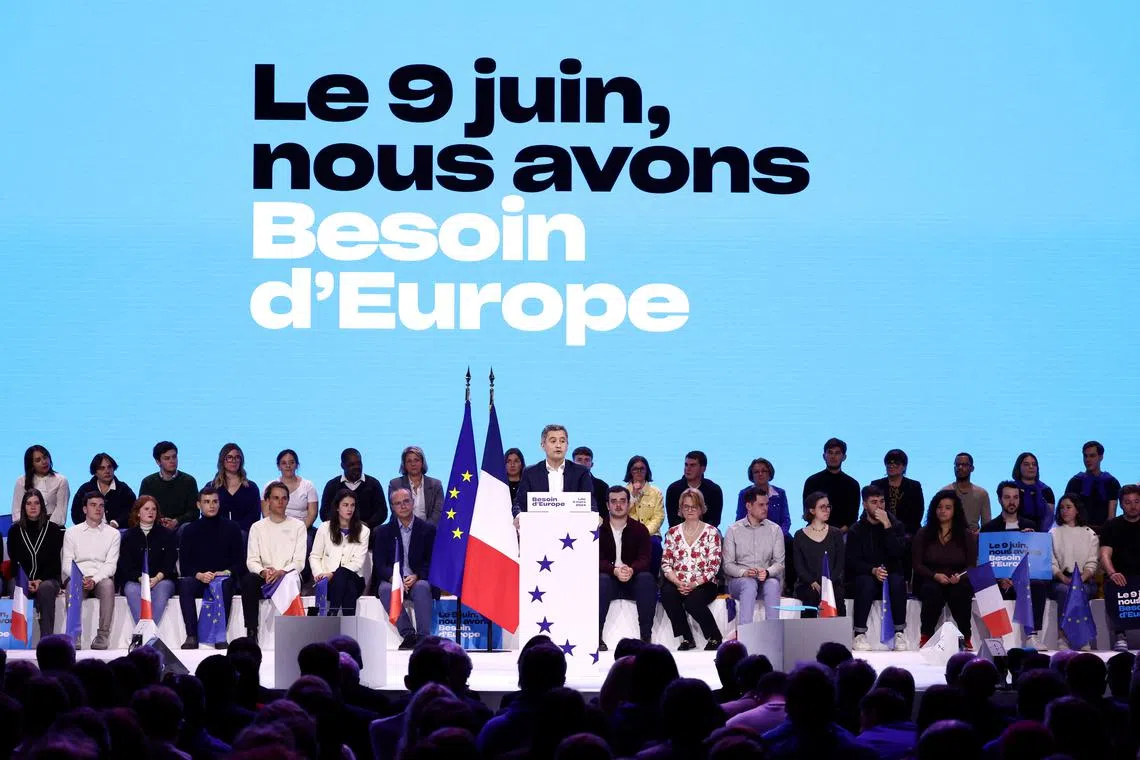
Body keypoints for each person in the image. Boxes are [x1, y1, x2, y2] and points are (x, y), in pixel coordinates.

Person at [980, 481, 1048, 649]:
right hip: (999, 579)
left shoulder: (1030, 525)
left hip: (1023, 578)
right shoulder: (989, 528)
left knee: (1038, 585)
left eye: (1016, 497)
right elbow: (985, 561)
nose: (1012, 502)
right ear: (999, 499)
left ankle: (1032, 636)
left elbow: (1037, 559)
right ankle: (997, 637)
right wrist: (1000, 577)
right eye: (1007, 497)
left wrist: (1031, 540)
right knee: (985, 583)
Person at [179, 486, 246, 649]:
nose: (212, 505)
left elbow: (240, 562)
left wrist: (225, 572)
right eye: (207, 502)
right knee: (185, 584)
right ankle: (192, 635)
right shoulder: (189, 530)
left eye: (215, 501)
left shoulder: (232, 528)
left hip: (222, 577)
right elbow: (184, 564)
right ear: (198, 505)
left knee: (225, 584)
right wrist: (199, 575)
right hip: (199, 577)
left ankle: (219, 635)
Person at [242, 481, 307, 640]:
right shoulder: (257, 527)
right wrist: (264, 572)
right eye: (276, 498)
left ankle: (292, 634)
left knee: (290, 579)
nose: (280, 502)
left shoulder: (298, 526)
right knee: (248, 580)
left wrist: (281, 572)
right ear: (268, 501)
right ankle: (252, 632)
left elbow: (299, 562)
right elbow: (252, 560)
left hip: (287, 575)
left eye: (284, 498)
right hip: (265, 577)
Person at [660, 487, 723, 650]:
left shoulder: (712, 532)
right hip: (678, 581)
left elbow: (713, 567)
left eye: (694, 506)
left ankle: (714, 636)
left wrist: (693, 584)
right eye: (686, 506)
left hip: (704, 583)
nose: (690, 510)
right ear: (680, 509)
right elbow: (666, 563)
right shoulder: (672, 533)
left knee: (692, 601)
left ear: (701, 508)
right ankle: (687, 638)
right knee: (667, 594)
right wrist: (678, 582)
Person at [847, 485, 908, 651]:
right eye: (874, 502)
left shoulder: (896, 526)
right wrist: (872, 570)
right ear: (865, 504)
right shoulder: (856, 530)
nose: (879, 506)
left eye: (882, 502)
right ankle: (859, 634)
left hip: (890, 572)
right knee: (866, 583)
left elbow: (898, 554)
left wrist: (887, 526)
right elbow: (852, 561)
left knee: (897, 581)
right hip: (866, 573)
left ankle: (899, 632)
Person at [913, 490, 976, 647]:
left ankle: (965, 637)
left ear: (955, 511)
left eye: (948, 507)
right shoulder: (923, 533)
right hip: (931, 578)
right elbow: (917, 565)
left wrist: (960, 576)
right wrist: (935, 575)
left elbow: (972, 566)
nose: (943, 511)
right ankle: (926, 636)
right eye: (939, 507)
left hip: (958, 579)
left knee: (961, 592)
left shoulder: (966, 535)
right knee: (931, 591)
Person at [374, 487, 436, 648]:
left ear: (413, 502)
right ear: (392, 507)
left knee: (422, 587)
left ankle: (423, 637)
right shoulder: (382, 532)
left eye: (406, 501)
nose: (402, 506)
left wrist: (417, 576)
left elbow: (431, 560)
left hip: (418, 578)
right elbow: (379, 564)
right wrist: (394, 578)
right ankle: (408, 635)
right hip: (394, 579)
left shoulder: (427, 529)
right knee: (385, 589)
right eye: (397, 503)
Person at [62, 491, 122, 649]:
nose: (98, 509)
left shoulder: (113, 534)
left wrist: (94, 579)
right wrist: (80, 578)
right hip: (78, 577)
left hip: (100, 578)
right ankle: (74, 636)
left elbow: (111, 565)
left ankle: (102, 636)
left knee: (108, 585)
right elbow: (67, 562)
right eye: (93, 505)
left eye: (101, 506)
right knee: (72, 586)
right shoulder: (72, 532)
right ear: (84, 509)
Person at [598, 485, 656, 649]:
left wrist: (631, 569)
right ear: (607, 505)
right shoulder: (598, 530)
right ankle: (596, 636)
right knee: (601, 579)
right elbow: (595, 559)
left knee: (646, 579)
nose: (618, 505)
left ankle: (645, 636)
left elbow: (645, 559)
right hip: (609, 578)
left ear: (629, 504)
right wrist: (613, 570)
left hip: (632, 578)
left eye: (622, 501)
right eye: (613, 501)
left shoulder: (640, 529)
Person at [8, 489, 65, 639]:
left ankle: (46, 638)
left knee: (46, 588)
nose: (33, 507)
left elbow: (55, 562)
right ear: (23, 507)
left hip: (48, 578)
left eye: (36, 503)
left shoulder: (53, 530)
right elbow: (15, 562)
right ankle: (18, 638)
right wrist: (25, 581)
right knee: (15, 586)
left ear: (42, 506)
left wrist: (41, 580)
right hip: (22, 578)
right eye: (28, 503)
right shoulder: (14, 531)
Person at [724, 487, 784, 625]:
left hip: (765, 579)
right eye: (761, 505)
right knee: (749, 583)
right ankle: (746, 633)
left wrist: (767, 572)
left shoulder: (775, 529)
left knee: (773, 584)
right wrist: (744, 572)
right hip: (740, 582)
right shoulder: (733, 530)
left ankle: (773, 632)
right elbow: (728, 565)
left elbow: (779, 563)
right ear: (749, 506)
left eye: (767, 504)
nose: (766, 508)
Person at [115, 496, 177, 627]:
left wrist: (158, 578)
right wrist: (140, 579)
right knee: (131, 590)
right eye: (147, 509)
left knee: (162, 589)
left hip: (162, 579)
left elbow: (170, 561)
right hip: (136, 580)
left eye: (154, 509)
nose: (151, 512)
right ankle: (147, 632)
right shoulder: (128, 536)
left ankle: (145, 633)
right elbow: (126, 565)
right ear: (138, 512)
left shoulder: (167, 534)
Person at [512, 424, 596, 517]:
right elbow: (519, 503)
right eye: (553, 441)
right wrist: (518, 515)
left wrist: (594, 515)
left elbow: (589, 502)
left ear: (567, 445)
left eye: (562, 441)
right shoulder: (530, 472)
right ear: (543, 445)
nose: (558, 445)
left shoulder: (581, 472)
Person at [310, 489, 370, 615]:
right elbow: (315, 556)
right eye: (345, 505)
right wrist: (320, 574)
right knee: (349, 588)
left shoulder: (364, 531)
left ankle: (332, 613)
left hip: (355, 578)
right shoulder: (324, 528)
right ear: (337, 507)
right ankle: (349, 627)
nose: (350, 509)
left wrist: (333, 574)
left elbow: (357, 563)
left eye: (352, 505)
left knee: (344, 575)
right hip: (329, 582)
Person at [1051, 493, 1099, 650]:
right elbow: (1051, 562)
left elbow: (1092, 562)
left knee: (1080, 591)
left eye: (1069, 507)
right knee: (1066, 591)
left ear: (1077, 510)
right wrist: (1063, 577)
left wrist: (1081, 578)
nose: (1064, 511)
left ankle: (1082, 637)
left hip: (1084, 580)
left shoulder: (1089, 534)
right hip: (1061, 579)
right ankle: (1063, 637)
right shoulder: (1053, 533)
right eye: (1062, 508)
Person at [1099, 483, 1140, 652]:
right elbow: (1104, 555)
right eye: (1128, 502)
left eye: (1137, 501)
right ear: (1121, 504)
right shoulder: (1112, 526)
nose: (1133, 506)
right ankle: (1120, 636)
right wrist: (1112, 572)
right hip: (1122, 576)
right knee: (1113, 584)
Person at [793, 492, 846, 617]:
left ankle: (841, 635)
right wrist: (812, 581)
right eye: (822, 507)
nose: (827, 510)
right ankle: (809, 635)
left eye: (828, 506)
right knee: (810, 595)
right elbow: (799, 564)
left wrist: (828, 582)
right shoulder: (800, 535)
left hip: (832, 582)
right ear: (812, 510)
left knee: (837, 595)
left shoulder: (836, 533)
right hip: (808, 583)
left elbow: (839, 563)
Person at [802, 438, 861, 532]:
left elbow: (853, 517)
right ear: (824, 456)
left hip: (843, 534)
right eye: (830, 453)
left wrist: (838, 533)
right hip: (816, 531)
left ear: (844, 457)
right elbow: (807, 511)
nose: (833, 456)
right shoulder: (812, 481)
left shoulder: (852, 484)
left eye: (837, 453)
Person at [320, 447, 388, 528]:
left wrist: (365, 526)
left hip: (369, 532)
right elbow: (324, 513)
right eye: (351, 464)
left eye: (359, 463)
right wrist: (341, 525)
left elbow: (382, 512)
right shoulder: (332, 485)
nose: (356, 467)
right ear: (342, 465)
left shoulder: (373, 484)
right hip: (338, 533)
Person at [139, 441, 200, 530]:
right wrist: (160, 521)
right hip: (156, 526)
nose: (172, 461)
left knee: (186, 528)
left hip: (180, 526)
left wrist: (176, 521)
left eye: (174, 457)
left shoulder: (189, 481)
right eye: (167, 458)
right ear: (158, 462)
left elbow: (194, 512)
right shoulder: (148, 482)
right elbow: (142, 510)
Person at [1065, 440, 1121, 531]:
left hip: (1103, 532)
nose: (1088, 460)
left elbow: (1111, 517)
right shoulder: (1075, 482)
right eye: (1085, 456)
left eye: (1092, 456)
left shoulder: (1111, 482)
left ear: (1101, 457)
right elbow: (1068, 511)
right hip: (1077, 531)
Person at [70, 453, 137, 528]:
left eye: (109, 467)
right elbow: (76, 514)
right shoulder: (85, 489)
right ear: (95, 472)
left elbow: (132, 511)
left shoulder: (123, 489)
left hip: (118, 532)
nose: (107, 471)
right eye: (102, 468)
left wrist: (116, 523)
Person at [870, 449, 925, 536]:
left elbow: (917, 514)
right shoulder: (876, 484)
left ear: (904, 466)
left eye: (896, 463)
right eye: (889, 463)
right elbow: (871, 510)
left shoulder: (914, 486)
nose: (892, 466)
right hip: (880, 531)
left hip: (908, 534)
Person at [664, 451, 724, 529]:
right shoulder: (673, 489)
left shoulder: (714, 490)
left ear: (703, 469)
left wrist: (698, 532)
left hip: (706, 532)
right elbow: (673, 520)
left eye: (692, 465)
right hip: (680, 532)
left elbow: (714, 520)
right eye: (686, 465)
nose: (687, 469)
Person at [12, 444, 70, 525]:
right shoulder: (21, 481)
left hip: (53, 527)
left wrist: (48, 528)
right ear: (31, 464)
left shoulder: (61, 480)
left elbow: (61, 511)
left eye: (45, 457)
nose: (44, 462)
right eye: (38, 460)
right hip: (27, 527)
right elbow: (17, 511)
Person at [388, 446, 444, 526]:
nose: (413, 464)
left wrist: (424, 530)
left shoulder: (435, 484)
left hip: (429, 530)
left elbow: (438, 512)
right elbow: (396, 511)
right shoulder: (395, 484)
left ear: (422, 462)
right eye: (409, 461)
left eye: (416, 460)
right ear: (404, 465)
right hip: (403, 528)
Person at [212, 443, 261, 534]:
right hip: (217, 532)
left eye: (237, 457)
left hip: (243, 532)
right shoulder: (212, 487)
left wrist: (234, 529)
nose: (234, 461)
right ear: (222, 460)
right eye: (229, 457)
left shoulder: (251, 488)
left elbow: (255, 515)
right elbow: (207, 513)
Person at [940, 452, 991, 532]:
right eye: (957, 465)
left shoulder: (981, 493)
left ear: (972, 468)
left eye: (964, 465)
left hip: (973, 538)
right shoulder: (945, 492)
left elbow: (987, 524)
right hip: (949, 537)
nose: (960, 467)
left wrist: (976, 535)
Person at [1012, 452, 1055, 531]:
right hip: (1015, 535)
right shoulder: (1011, 489)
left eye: (1034, 464)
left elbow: (1049, 518)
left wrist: (1038, 535)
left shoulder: (1046, 490)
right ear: (1019, 467)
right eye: (1026, 464)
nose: (1031, 467)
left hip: (1040, 535)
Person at [573, 446, 610, 516]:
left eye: (587, 460)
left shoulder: (602, 486)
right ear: (573, 464)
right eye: (579, 460)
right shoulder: (563, 483)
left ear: (592, 464)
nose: (583, 463)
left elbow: (605, 513)